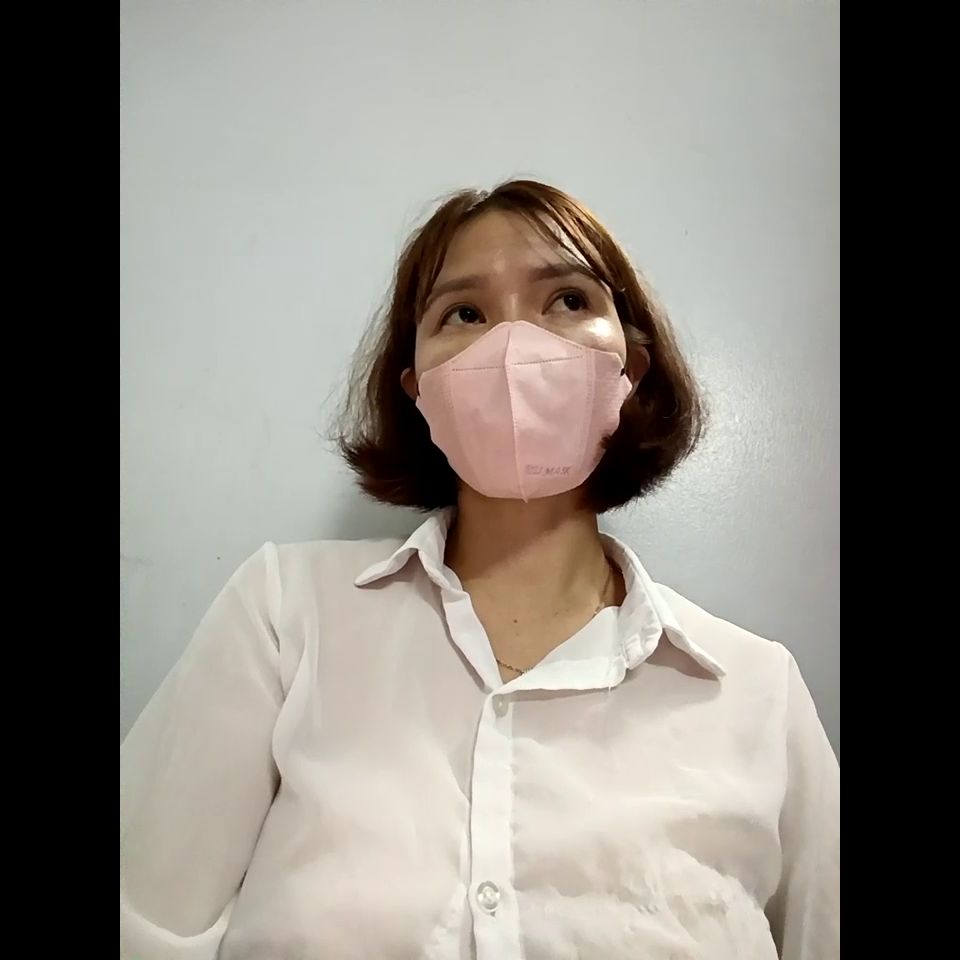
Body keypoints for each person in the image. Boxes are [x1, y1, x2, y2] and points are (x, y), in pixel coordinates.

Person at [120, 179, 839, 960]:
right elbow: (143, 926)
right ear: (417, 389)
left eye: (567, 300)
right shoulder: (283, 615)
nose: (514, 346)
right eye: (464, 313)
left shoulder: (757, 693)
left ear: (630, 368)